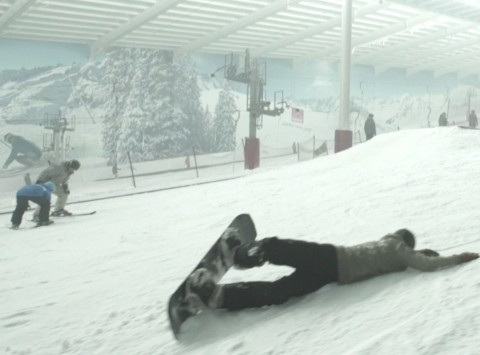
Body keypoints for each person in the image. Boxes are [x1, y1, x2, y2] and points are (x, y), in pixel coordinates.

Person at [187, 230, 478, 311]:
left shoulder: (397, 249)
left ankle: (237, 255)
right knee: (279, 292)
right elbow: (421, 259)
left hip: (331, 259)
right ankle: (220, 297)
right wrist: (418, 254)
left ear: (401, 238)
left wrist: (458, 258)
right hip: (334, 272)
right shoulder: (398, 251)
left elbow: (427, 264)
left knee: (279, 248)